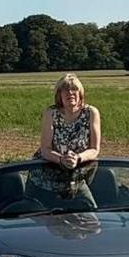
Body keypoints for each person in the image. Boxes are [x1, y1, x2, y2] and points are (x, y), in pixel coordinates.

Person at [27, 73, 102, 204]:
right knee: (36, 213)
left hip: (77, 177)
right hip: (45, 177)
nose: (70, 93)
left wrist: (78, 158)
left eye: (74, 89)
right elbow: (45, 149)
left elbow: (94, 149)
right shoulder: (51, 113)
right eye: (65, 90)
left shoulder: (91, 113)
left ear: (80, 93)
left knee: (90, 213)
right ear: (59, 95)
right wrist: (61, 159)